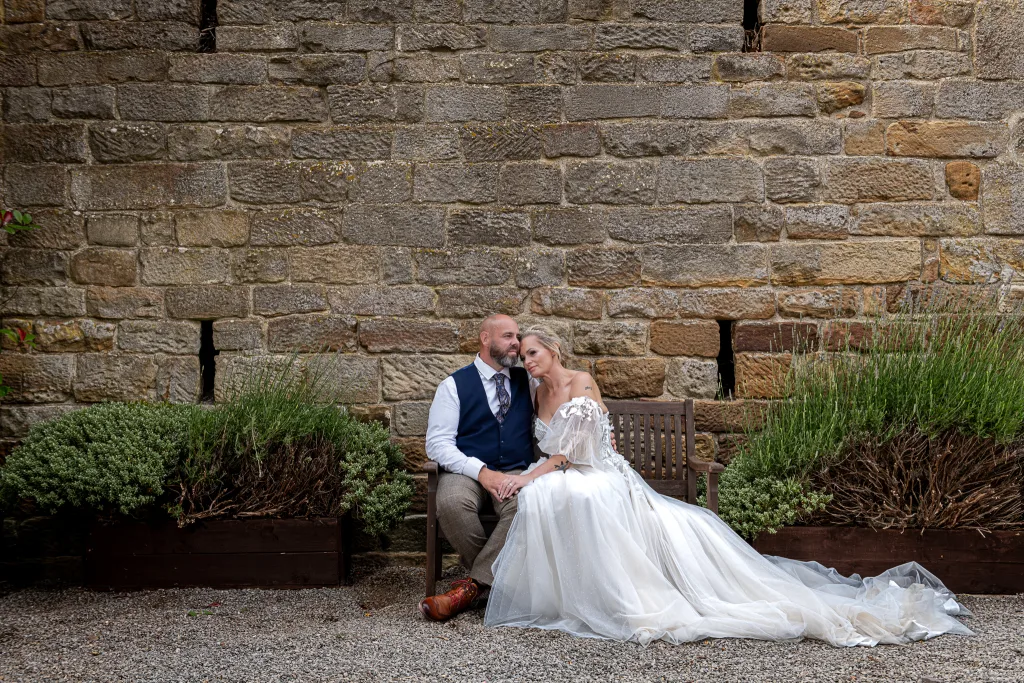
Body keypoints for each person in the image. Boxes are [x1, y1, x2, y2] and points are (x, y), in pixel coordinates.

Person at [483, 326, 974, 647]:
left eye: (534, 354)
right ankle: (569, 593)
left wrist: (528, 476)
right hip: (569, 471)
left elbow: (571, 451)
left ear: (554, 350)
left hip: (600, 473)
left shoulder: (581, 383)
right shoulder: (535, 389)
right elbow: (554, 450)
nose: (529, 362)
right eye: (523, 356)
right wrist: (530, 474)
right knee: (553, 493)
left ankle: (618, 595)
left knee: (565, 490)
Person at [418, 314, 535, 622]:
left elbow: (564, 403)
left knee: (527, 506)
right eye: (508, 336)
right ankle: (500, 584)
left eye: (517, 336)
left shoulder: (528, 380)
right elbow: (438, 445)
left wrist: (596, 426)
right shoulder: (453, 385)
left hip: (515, 471)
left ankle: (470, 588)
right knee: (451, 503)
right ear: (485, 339)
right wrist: (481, 472)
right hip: (466, 471)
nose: (516, 343)